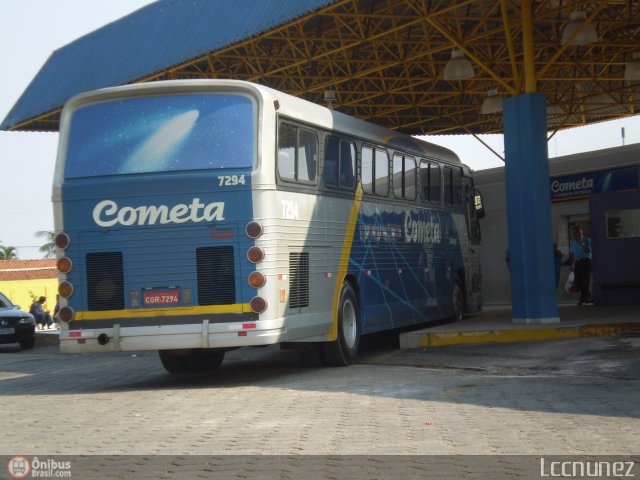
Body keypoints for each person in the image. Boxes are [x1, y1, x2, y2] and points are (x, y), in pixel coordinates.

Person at [569, 225, 593, 306]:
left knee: (584, 281)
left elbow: (588, 251)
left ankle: (584, 298)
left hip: (586, 261)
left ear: (581, 231)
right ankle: (587, 295)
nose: (576, 234)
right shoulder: (572, 242)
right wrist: (572, 264)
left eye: (577, 232)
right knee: (577, 281)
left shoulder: (586, 240)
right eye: (574, 232)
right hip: (578, 262)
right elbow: (573, 254)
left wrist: (581, 243)